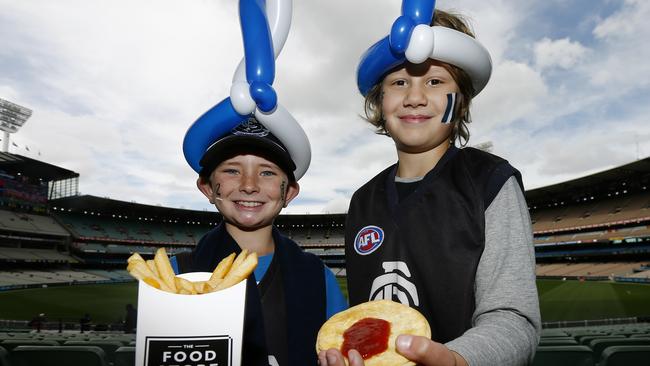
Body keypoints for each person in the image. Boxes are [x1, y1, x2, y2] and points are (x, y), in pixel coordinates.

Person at [319, 7, 540, 366]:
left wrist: (456, 359)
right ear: (379, 101)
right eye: (399, 82)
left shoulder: (491, 182)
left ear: (462, 101)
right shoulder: (362, 200)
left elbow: (514, 319)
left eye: (435, 81)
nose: (415, 97)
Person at [172, 117, 347, 366]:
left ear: (288, 193)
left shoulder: (320, 278)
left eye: (267, 172)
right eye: (232, 170)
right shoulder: (172, 275)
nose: (249, 185)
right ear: (208, 188)